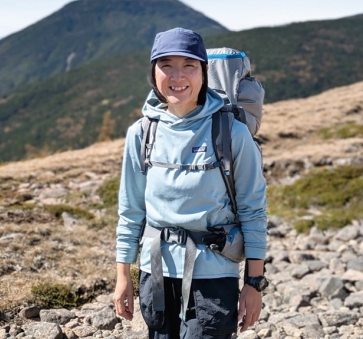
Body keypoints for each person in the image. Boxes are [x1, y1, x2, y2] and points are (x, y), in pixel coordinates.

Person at [114, 27, 267, 339]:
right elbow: (130, 211)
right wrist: (123, 275)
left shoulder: (232, 133)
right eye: (166, 65)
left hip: (214, 276)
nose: (177, 76)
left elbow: (253, 212)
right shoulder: (141, 133)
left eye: (189, 65)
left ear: (204, 72)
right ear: (153, 72)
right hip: (155, 272)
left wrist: (253, 284)